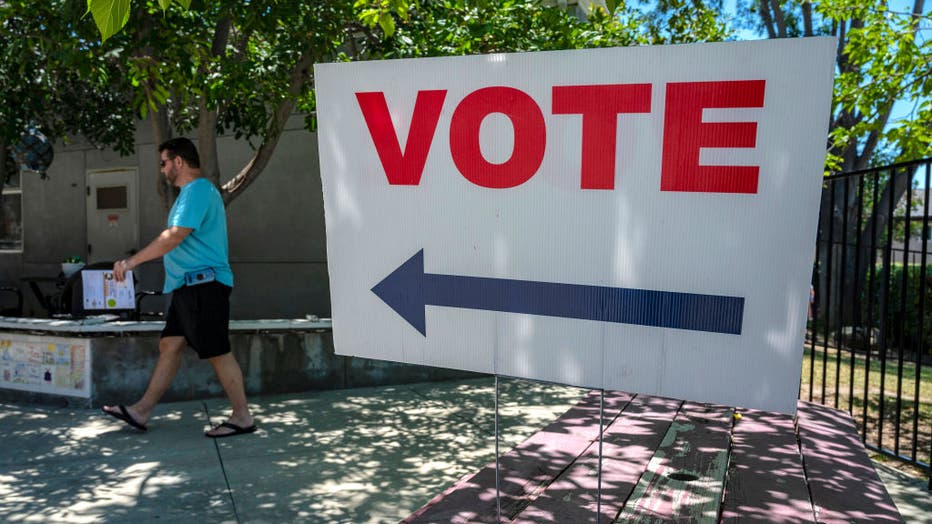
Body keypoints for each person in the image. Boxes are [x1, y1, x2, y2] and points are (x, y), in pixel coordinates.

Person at [102, 137, 256, 438]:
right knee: (170, 345)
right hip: (188, 288)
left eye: (164, 163)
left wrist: (131, 262)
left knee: (217, 351)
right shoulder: (191, 194)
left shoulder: (198, 190)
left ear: (179, 162)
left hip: (203, 286)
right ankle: (141, 411)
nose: (162, 169)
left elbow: (174, 236)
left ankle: (242, 417)